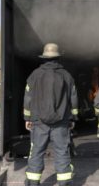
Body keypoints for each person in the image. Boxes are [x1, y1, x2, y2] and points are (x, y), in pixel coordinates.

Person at [23, 43, 78, 186]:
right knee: (62, 152)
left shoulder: (35, 75)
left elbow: (28, 97)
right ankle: (64, 182)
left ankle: (33, 183)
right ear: (58, 58)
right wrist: (73, 118)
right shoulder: (67, 76)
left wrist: (28, 118)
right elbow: (73, 98)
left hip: (39, 123)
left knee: (36, 152)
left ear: (44, 58)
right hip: (61, 123)